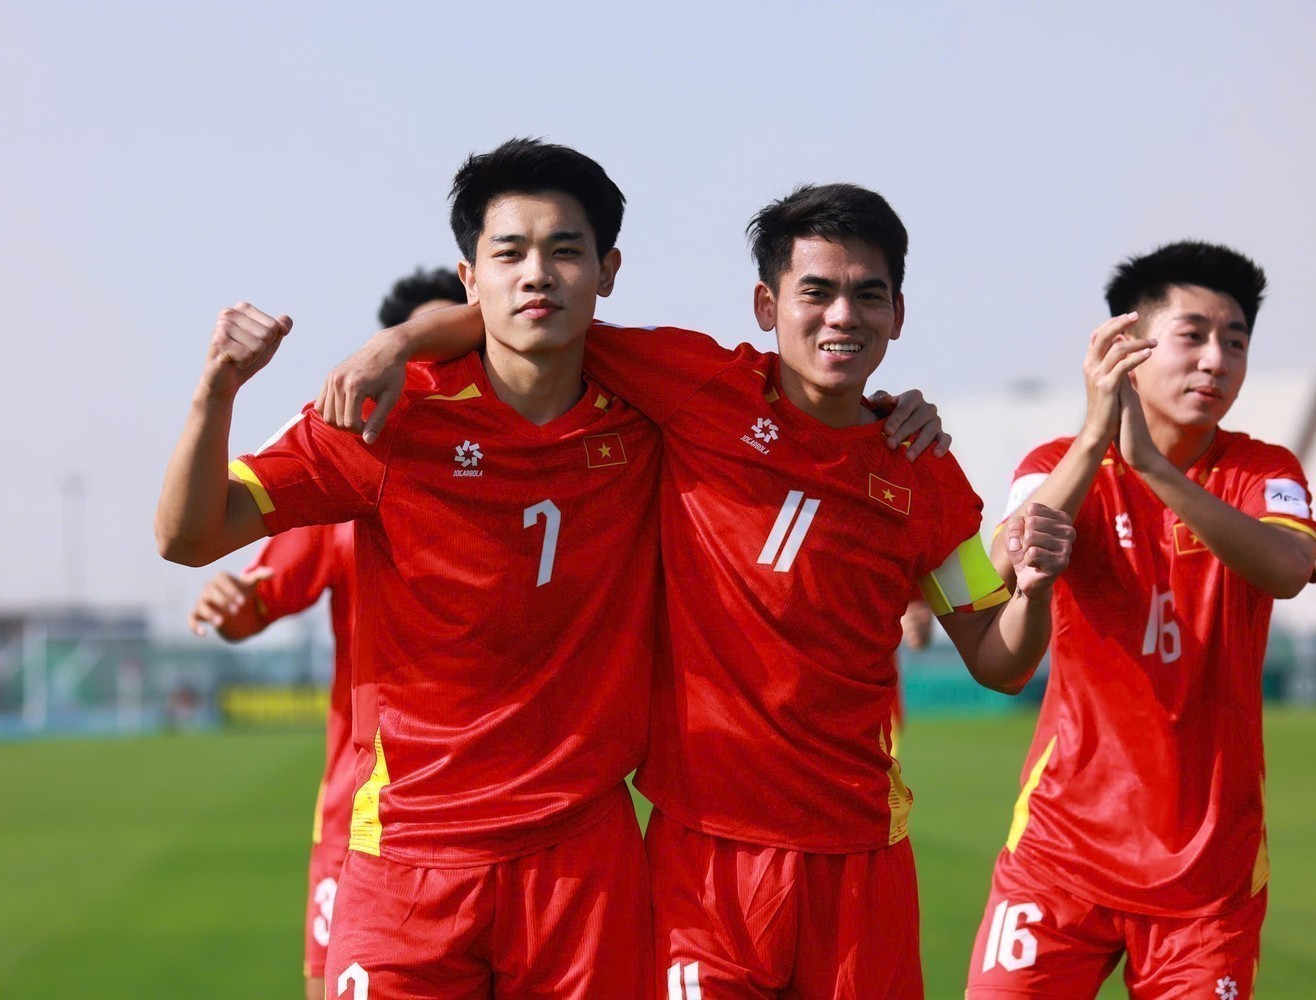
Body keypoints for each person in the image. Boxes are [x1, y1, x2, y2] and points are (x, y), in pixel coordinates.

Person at [324, 182, 1075, 998]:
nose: (842, 317)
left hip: (860, 856)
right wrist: (398, 342)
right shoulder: (698, 388)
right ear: (766, 304)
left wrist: (1033, 592)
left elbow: (997, 658)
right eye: (816, 292)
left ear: (898, 314)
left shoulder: (925, 472)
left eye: (869, 296)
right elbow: (535, 316)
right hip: (704, 858)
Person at [158, 138, 668, 998]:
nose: (536, 274)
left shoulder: (656, 412)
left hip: (582, 862)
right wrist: (217, 389)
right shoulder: (388, 418)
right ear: (470, 277)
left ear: (607, 271)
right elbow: (188, 536)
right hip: (410, 855)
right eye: (509, 253)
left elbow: (810, 397)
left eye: (564, 250)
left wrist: (893, 416)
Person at [964, 242, 1316, 999]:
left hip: (1208, 875)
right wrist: (1098, 438)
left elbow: (1291, 569)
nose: (1216, 361)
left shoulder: (1263, 472)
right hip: (1060, 854)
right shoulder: (1060, 461)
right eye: (1193, 336)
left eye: (1235, 342)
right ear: (1128, 349)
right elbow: (1001, 563)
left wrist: (1154, 468)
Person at [186, 268, 466, 1000]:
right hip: (367, 812)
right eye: (424, 344)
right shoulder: (354, 474)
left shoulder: (528, 465)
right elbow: (256, 599)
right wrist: (230, 603)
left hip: (501, 823)